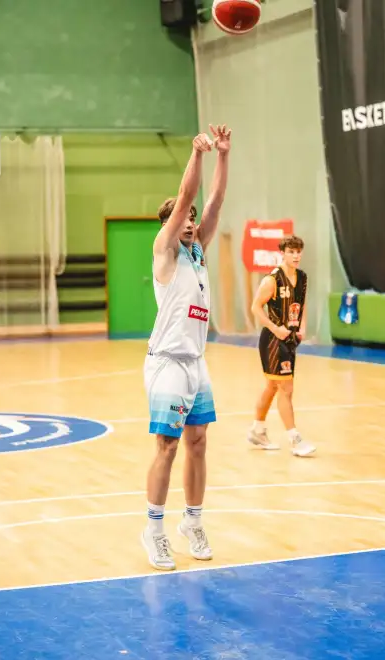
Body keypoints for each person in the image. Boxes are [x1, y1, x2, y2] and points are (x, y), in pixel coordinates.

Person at [142, 125, 231, 570]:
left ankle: (192, 521)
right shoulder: (165, 251)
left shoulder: (198, 253)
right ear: (170, 226)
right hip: (167, 363)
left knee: (198, 441)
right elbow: (187, 194)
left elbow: (213, 201)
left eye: (192, 218)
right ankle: (154, 530)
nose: (191, 221)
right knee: (168, 445)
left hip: (196, 362)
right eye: (183, 218)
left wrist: (224, 155)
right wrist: (197, 154)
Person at [247, 235, 316, 456]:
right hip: (273, 340)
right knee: (286, 389)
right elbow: (255, 307)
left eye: (298, 252)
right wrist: (275, 328)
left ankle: (257, 430)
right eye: (291, 252)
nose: (295, 256)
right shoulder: (272, 280)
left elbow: (302, 304)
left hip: (290, 338)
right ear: (282, 253)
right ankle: (295, 439)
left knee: (272, 386)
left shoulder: (302, 278)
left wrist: (302, 327)